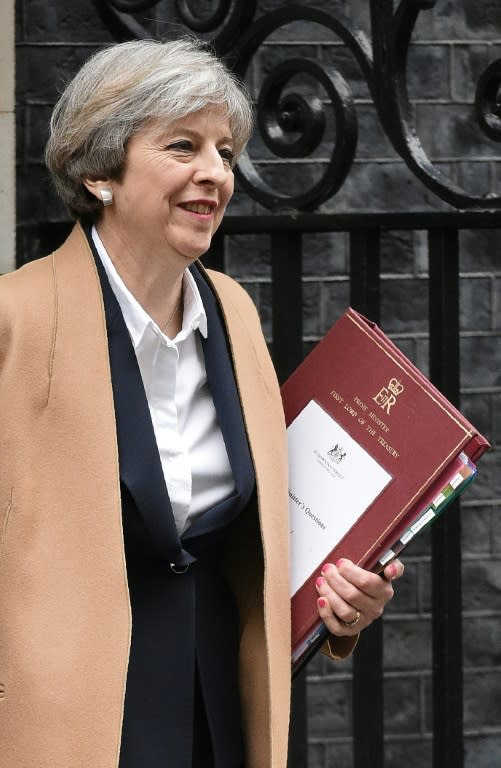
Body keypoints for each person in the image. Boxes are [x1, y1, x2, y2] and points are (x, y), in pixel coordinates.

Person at [0, 38, 403, 768]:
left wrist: (342, 602)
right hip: (70, 720)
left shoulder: (234, 312)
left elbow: (253, 541)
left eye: (224, 150)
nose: (215, 173)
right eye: (183, 146)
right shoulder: (15, 320)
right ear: (99, 171)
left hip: (216, 705)